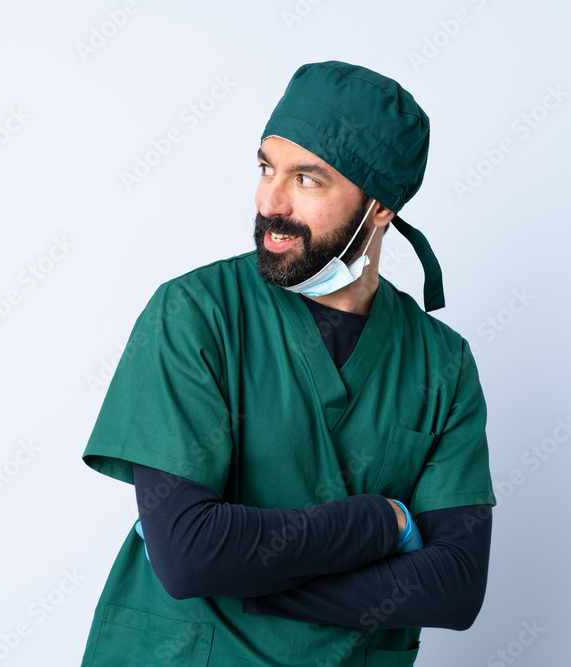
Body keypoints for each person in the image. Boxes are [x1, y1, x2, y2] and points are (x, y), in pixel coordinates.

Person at [79, 60, 496, 667]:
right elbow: (189, 556)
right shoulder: (196, 314)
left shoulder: (441, 362)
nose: (269, 201)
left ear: (379, 208)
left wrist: (244, 574)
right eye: (266, 167)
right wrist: (381, 521)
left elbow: (455, 587)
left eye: (307, 180)